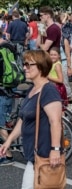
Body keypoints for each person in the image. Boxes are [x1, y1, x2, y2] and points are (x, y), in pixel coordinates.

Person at [0, 50, 63, 188]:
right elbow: (22, 120)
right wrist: (8, 141)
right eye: (24, 64)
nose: (24, 68)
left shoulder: (49, 91)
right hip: (33, 155)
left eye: (28, 65)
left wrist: (55, 149)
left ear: (40, 67)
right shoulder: (32, 90)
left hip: (44, 155)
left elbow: (55, 121)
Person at [0, 29, 14, 166]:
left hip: (2, 90)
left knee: (0, 124)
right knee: (7, 120)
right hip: (11, 88)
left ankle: (7, 155)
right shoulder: (9, 46)